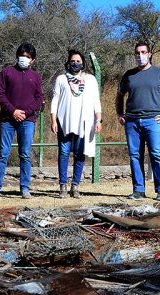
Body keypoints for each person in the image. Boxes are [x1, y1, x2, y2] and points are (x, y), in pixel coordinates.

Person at [115, 41, 160, 201]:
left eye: (143, 52)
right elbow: (119, 95)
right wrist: (120, 114)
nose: (140, 55)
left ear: (149, 54)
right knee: (134, 156)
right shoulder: (128, 75)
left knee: (157, 154)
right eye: (137, 53)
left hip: (154, 121)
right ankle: (138, 191)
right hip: (132, 122)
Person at [0, 42, 44, 199]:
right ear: (17, 56)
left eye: (28, 57)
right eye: (22, 55)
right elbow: (0, 94)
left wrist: (25, 113)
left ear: (32, 60)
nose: (24, 59)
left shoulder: (36, 76)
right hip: (7, 119)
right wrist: (12, 111)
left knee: (25, 154)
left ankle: (25, 188)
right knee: (3, 153)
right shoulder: (6, 72)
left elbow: (39, 98)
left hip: (28, 121)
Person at [50, 49, 102, 198]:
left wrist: (98, 120)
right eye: (73, 61)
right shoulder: (61, 79)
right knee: (64, 153)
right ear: (68, 62)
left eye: (78, 61)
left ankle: (75, 186)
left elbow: (95, 101)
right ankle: (63, 186)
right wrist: (53, 120)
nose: (75, 63)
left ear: (83, 63)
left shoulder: (90, 79)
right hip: (64, 122)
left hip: (84, 123)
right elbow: (55, 100)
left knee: (80, 154)